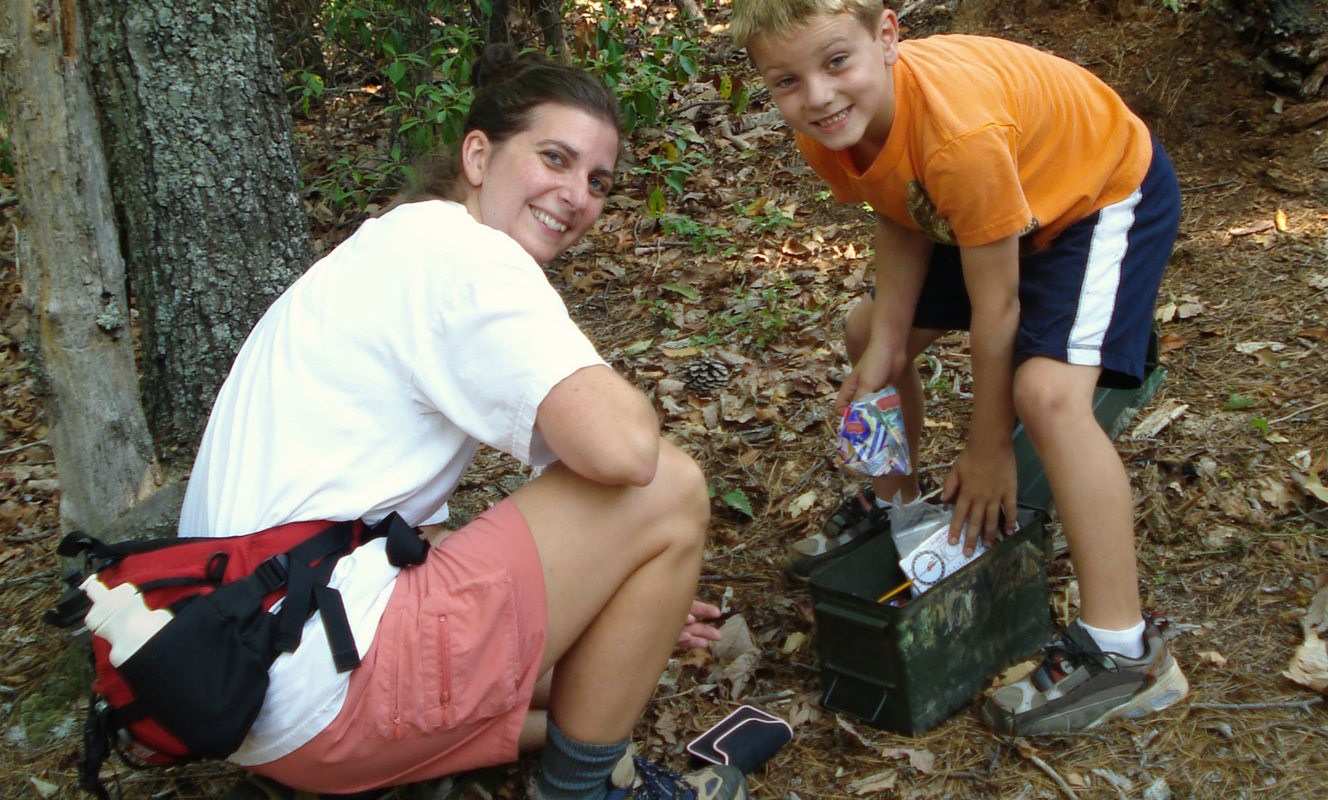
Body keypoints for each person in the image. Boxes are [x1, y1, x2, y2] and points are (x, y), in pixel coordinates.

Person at [179, 45, 748, 800]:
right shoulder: (465, 254)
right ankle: (586, 790)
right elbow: (625, 451)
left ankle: (554, 746)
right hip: (326, 686)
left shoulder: (385, 245)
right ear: (478, 156)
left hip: (238, 687)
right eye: (555, 158)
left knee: (583, 656)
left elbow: (393, 534)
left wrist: (613, 599)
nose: (576, 195)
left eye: (598, 181)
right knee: (668, 488)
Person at [729, 0, 1189, 734]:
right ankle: (897, 507)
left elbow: (997, 308)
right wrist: (884, 343)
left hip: (1092, 198)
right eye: (787, 80)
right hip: (991, 208)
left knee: (1046, 395)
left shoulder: (959, 134)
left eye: (835, 62)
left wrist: (987, 451)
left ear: (886, 36)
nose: (816, 95)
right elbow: (901, 207)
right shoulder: (829, 129)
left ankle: (1124, 648)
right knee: (866, 332)